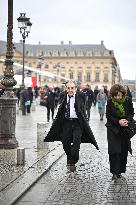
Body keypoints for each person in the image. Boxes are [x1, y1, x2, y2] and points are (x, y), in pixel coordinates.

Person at [44, 80, 99, 172]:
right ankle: (70, 157)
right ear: (66, 89)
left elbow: (83, 109)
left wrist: (85, 121)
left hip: (78, 122)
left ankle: (73, 161)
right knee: (65, 142)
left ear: (75, 88)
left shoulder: (81, 95)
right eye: (68, 88)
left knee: (77, 141)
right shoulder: (63, 95)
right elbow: (61, 108)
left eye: (72, 88)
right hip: (66, 122)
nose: (70, 90)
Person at [105, 84, 134, 180]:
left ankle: (120, 171)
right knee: (114, 151)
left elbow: (131, 113)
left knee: (123, 150)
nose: (118, 97)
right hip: (113, 128)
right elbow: (108, 116)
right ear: (113, 95)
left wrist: (126, 121)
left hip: (124, 128)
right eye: (116, 95)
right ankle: (114, 172)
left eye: (120, 95)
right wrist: (118, 121)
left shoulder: (128, 100)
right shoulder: (109, 102)